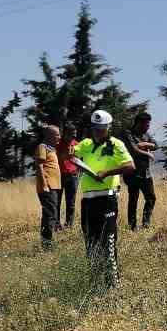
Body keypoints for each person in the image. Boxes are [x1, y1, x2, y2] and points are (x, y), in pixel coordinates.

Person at [74, 110, 134, 285]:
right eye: (95, 129)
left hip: (107, 199)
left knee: (107, 240)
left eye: (102, 129)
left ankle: (113, 282)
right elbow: (70, 155)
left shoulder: (116, 144)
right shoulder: (85, 144)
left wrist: (108, 172)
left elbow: (130, 165)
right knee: (90, 241)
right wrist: (69, 150)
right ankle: (95, 281)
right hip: (87, 200)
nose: (98, 132)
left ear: (108, 127)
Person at [121, 110, 157, 231]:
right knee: (133, 199)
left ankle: (145, 223)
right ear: (139, 124)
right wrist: (149, 154)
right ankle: (132, 226)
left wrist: (145, 143)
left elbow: (156, 145)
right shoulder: (128, 134)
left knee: (151, 198)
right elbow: (133, 150)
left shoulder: (146, 135)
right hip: (132, 173)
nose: (148, 127)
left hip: (146, 173)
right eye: (146, 125)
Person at [34, 124, 62, 248]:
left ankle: (49, 241)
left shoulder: (52, 149)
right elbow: (39, 166)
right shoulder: (42, 147)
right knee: (49, 215)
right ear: (50, 136)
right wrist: (45, 184)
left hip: (54, 186)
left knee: (52, 214)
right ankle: (47, 244)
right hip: (48, 187)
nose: (59, 138)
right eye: (57, 135)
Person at [56, 123, 81, 229]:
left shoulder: (77, 144)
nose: (73, 136)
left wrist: (78, 173)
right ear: (65, 133)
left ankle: (69, 224)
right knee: (57, 201)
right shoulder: (57, 144)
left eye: (75, 134)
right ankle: (56, 224)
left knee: (71, 202)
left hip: (73, 176)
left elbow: (81, 160)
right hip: (59, 176)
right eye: (71, 134)